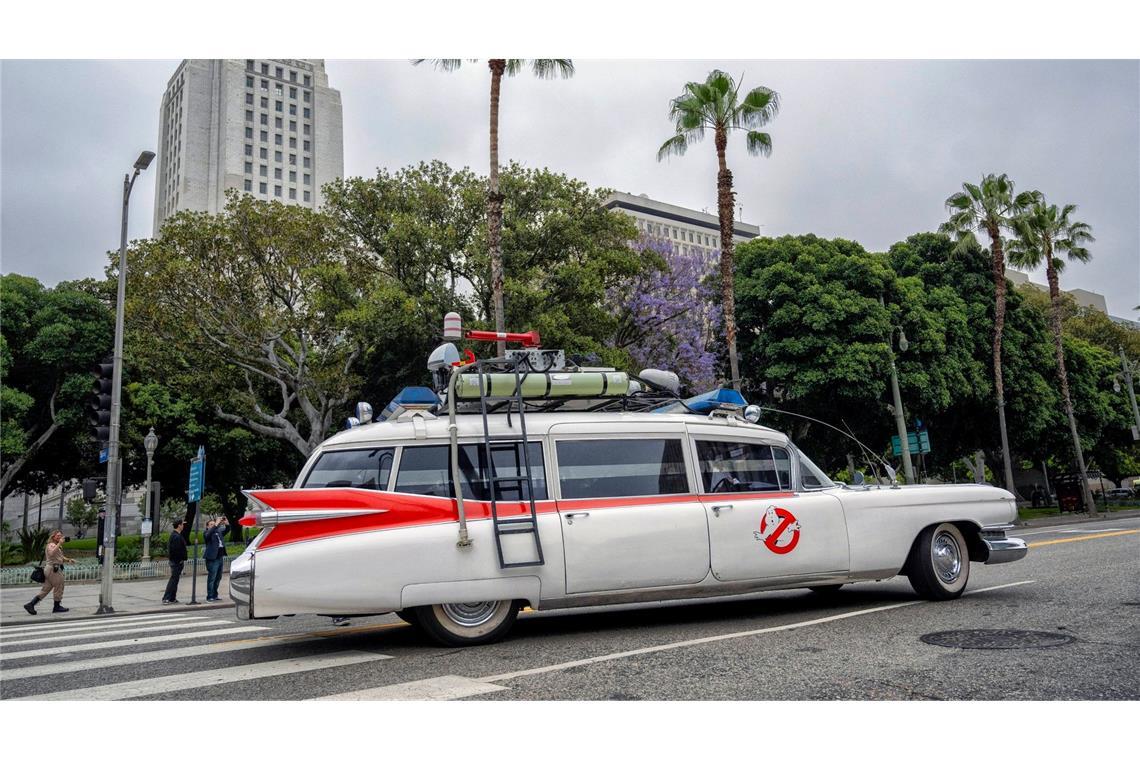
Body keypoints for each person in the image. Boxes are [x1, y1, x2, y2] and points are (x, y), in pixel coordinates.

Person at [24, 530, 77, 614]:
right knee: (59, 587)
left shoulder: (55, 545)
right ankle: (57, 607)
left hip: (51, 570)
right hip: (53, 570)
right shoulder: (51, 545)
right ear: (53, 537)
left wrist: (68, 560)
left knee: (46, 589)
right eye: (58, 536)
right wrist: (59, 543)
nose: (59, 537)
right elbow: (52, 553)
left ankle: (30, 605)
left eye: (60, 536)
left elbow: (60, 557)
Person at [203, 516, 229, 602]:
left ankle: (215, 595)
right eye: (211, 524)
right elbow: (208, 535)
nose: (213, 526)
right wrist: (216, 524)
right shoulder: (207, 533)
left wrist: (226, 523)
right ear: (207, 526)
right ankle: (209, 596)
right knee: (212, 578)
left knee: (218, 577)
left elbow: (227, 530)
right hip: (212, 558)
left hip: (220, 557)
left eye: (213, 524)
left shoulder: (218, 532)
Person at [163, 519, 188, 604]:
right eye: (182, 524)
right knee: (173, 580)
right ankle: (166, 597)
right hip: (176, 562)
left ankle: (172, 598)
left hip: (176, 561)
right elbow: (175, 550)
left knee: (175, 580)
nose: (183, 526)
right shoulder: (176, 536)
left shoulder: (176, 535)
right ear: (179, 525)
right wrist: (179, 560)